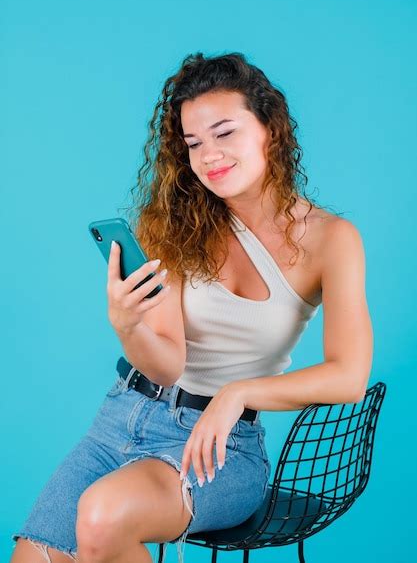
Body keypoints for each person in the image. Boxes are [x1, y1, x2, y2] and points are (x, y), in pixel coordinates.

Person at [10, 51, 373, 563]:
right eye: (194, 143)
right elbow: (166, 363)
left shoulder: (332, 239)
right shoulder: (180, 225)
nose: (209, 156)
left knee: (103, 516)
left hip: (220, 449)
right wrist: (126, 325)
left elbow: (349, 376)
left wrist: (238, 394)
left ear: (269, 127)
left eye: (225, 133)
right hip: (121, 421)